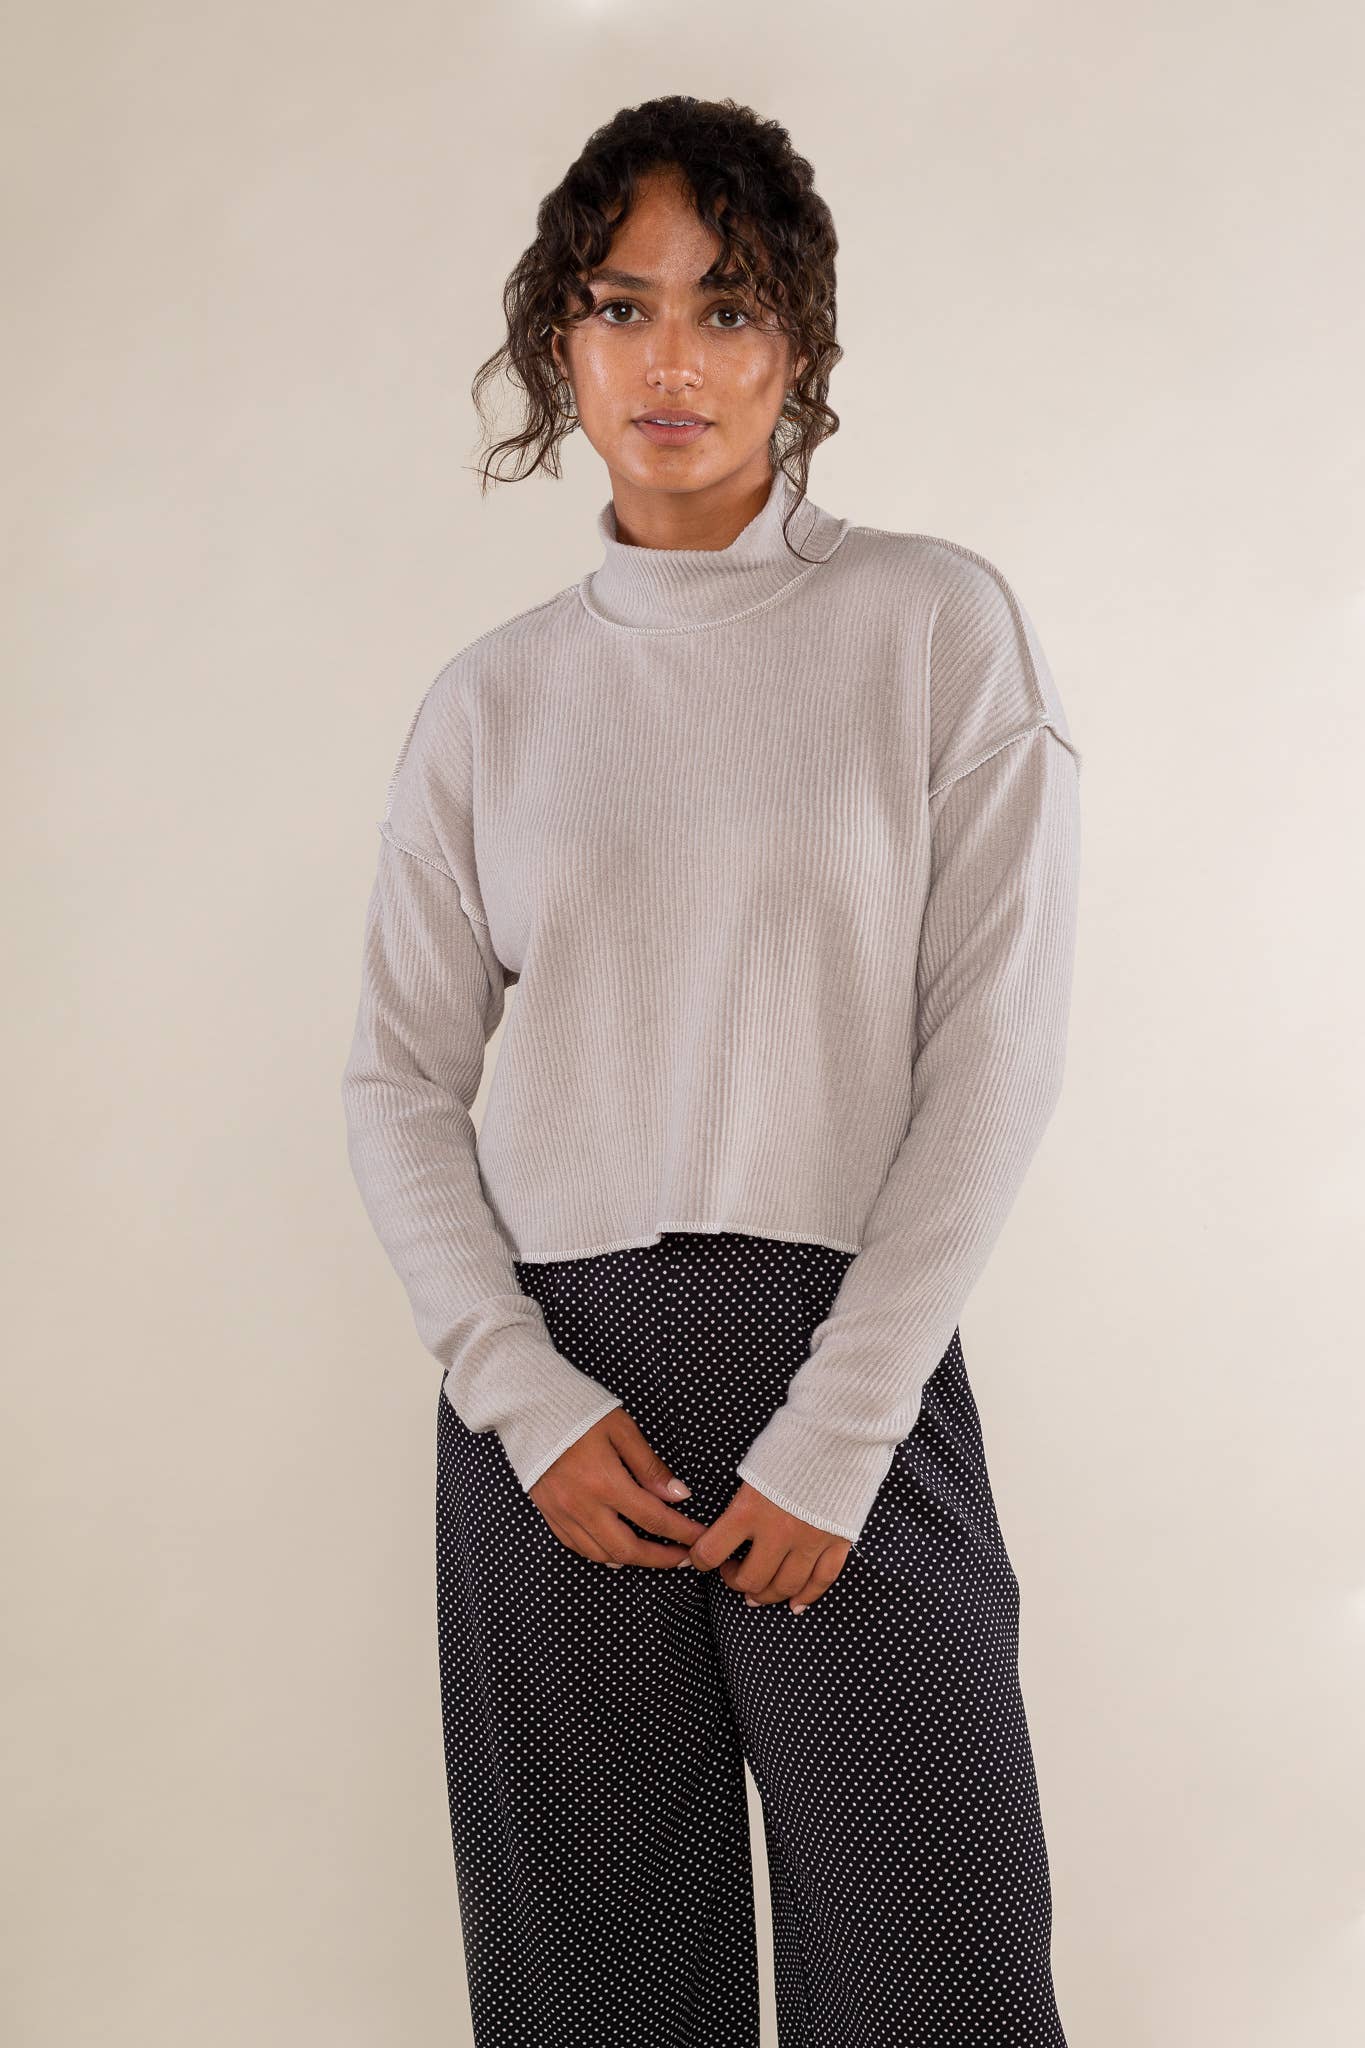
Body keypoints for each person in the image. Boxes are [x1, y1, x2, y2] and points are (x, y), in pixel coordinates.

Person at [341, 92, 1079, 2048]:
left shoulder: (930, 627)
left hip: (839, 1364)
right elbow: (397, 1081)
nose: (670, 359)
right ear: (558, 340)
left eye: (727, 308)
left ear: (799, 347)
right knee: (595, 2000)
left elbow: (992, 1044)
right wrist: (519, 1397)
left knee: (938, 1983)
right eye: (622, 305)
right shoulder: (491, 701)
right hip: (552, 1404)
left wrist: (839, 1429)